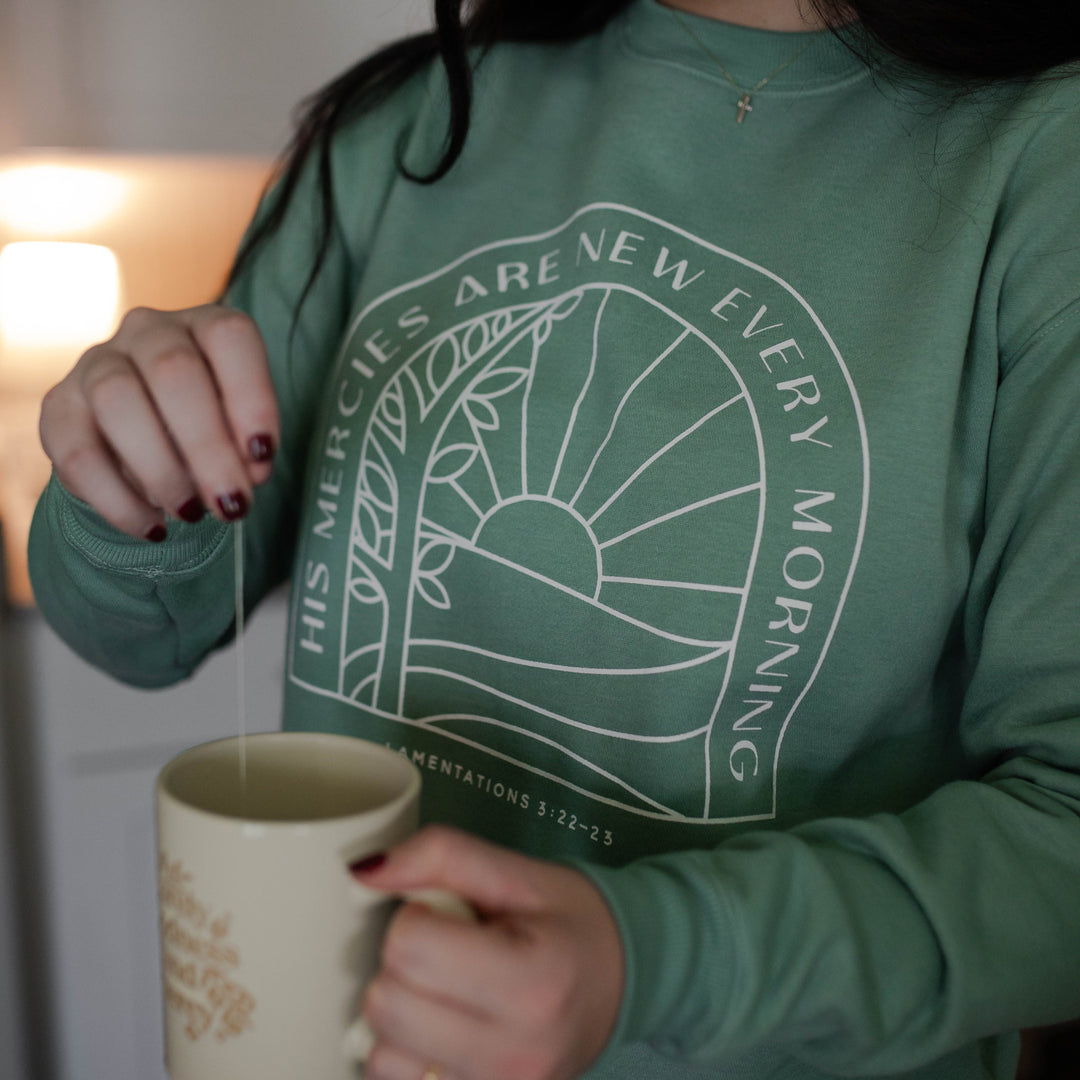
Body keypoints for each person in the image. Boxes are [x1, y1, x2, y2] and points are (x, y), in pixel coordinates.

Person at [26, 0, 1080, 1078]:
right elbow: (138, 637)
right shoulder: (414, 123)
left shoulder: (1045, 162)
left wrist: (650, 958)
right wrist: (124, 479)